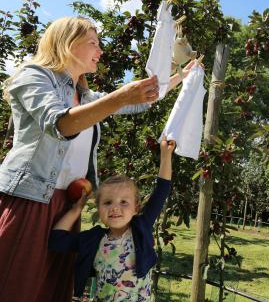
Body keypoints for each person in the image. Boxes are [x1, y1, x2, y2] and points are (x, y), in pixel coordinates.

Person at [0, 16, 194, 302]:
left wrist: (181, 76)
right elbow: (60, 124)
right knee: (18, 285)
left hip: (66, 205)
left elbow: (140, 100)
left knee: (50, 288)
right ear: (67, 43)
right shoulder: (34, 75)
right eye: (93, 43)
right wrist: (120, 97)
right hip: (32, 201)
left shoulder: (85, 96)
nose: (100, 51)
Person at [49, 136, 175, 301]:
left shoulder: (141, 227)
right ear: (98, 208)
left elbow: (162, 191)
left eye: (124, 202)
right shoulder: (93, 239)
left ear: (136, 207)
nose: (115, 207)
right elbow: (57, 240)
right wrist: (76, 210)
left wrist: (165, 155)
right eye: (107, 202)